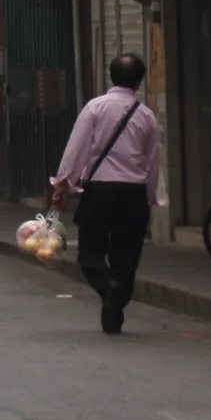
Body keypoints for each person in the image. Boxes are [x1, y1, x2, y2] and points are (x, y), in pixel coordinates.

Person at [51, 54, 160, 335]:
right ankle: (115, 303)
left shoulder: (95, 108)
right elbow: (151, 163)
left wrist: (62, 184)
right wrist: (150, 198)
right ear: (139, 82)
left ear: (111, 77)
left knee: (90, 252)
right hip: (133, 193)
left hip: (99, 191)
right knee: (127, 256)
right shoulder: (146, 116)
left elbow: (76, 148)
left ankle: (106, 286)